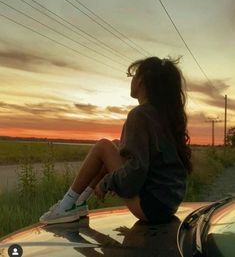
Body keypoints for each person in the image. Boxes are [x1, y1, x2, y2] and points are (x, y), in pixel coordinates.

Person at [39, 56, 192, 225]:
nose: (131, 80)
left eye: (133, 75)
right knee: (116, 145)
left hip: (150, 206)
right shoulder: (164, 116)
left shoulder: (140, 115)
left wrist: (106, 183)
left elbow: (137, 170)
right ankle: (80, 202)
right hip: (168, 205)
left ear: (141, 80)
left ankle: (66, 206)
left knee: (103, 146)